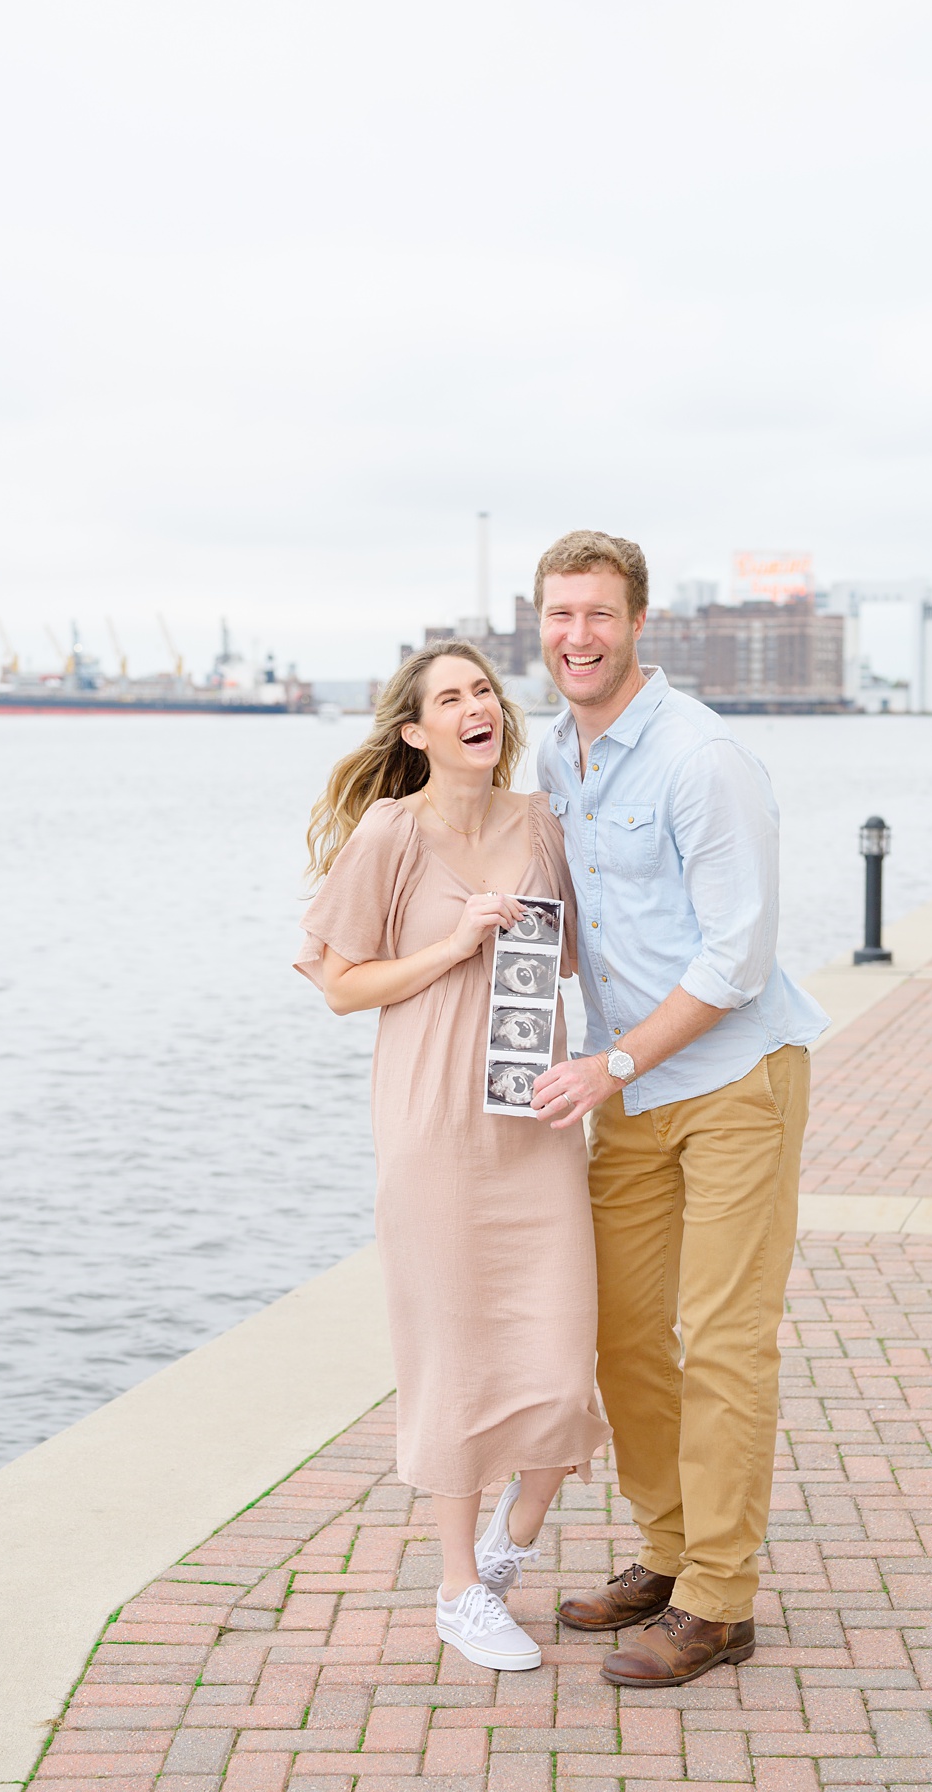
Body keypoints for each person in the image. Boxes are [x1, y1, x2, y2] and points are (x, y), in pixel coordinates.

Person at [525, 530, 826, 1688]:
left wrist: (612, 1063)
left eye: (599, 614)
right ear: (540, 622)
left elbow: (738, 953)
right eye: (560, 615)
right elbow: (580, 927)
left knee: (726, 1338)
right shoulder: (561, 756)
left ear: (639, 621)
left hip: (735, 1080)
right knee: (620, 1332)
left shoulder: (702, 758)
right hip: (632, 1085)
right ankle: (667, 1550)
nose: (579, 637)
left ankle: (719, 1598)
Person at [298, 641, 610, 1672]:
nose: (474, 705)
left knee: (563, 1360)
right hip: (431, 1123)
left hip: (534, 1117)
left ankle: (508, 1548)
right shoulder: (392, 831)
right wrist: (455, 942)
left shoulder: (540, 822)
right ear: (415, 732)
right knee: (454, 1357)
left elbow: (570, 952)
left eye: (483, 690)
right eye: (449, 697)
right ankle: (456, 1589)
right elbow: (341, 983)